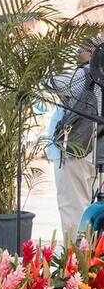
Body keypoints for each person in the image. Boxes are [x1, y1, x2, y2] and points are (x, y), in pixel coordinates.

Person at [52, 38, 104, 233]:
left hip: (78, 152)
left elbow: (52, 82)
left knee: (74, 212)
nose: (77, 51)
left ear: (93, 54)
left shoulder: (83, 75)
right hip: (97, 154)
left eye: (83, 49)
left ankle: (76, 261)